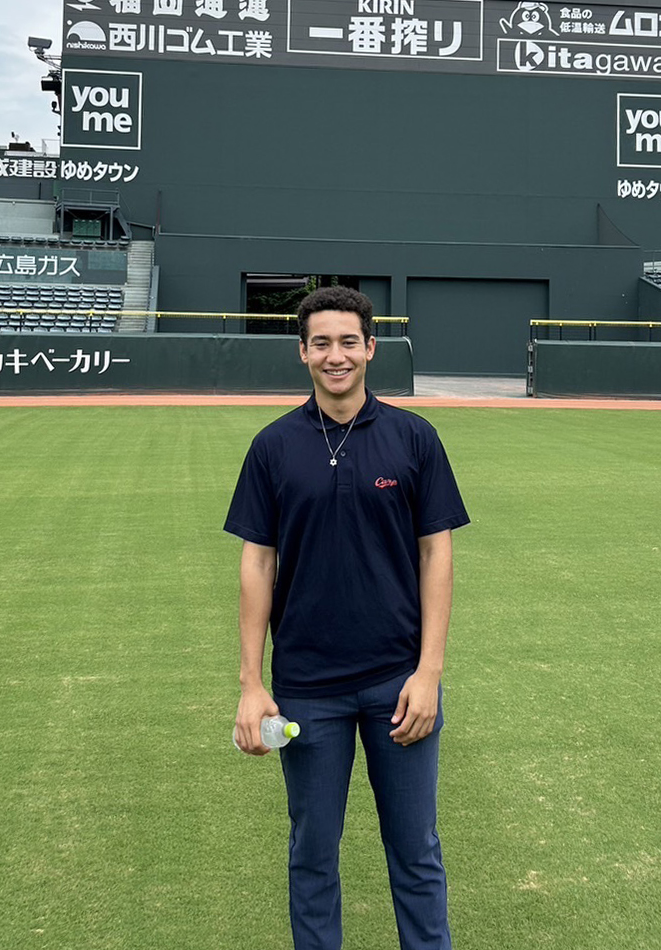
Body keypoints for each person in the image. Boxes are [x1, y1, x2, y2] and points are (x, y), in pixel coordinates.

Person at [225, 284, 469, 950]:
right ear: (303, 351)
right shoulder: (272, 446)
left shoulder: (413, 437)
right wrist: (252, 683)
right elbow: (257, 563)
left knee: (415, 852)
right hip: (306, 687)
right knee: (311, 852)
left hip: (398, 684)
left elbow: (435, 551)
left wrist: (429, 672)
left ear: (370, 347)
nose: (336, 354)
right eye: (321, 342)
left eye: (348, 341)